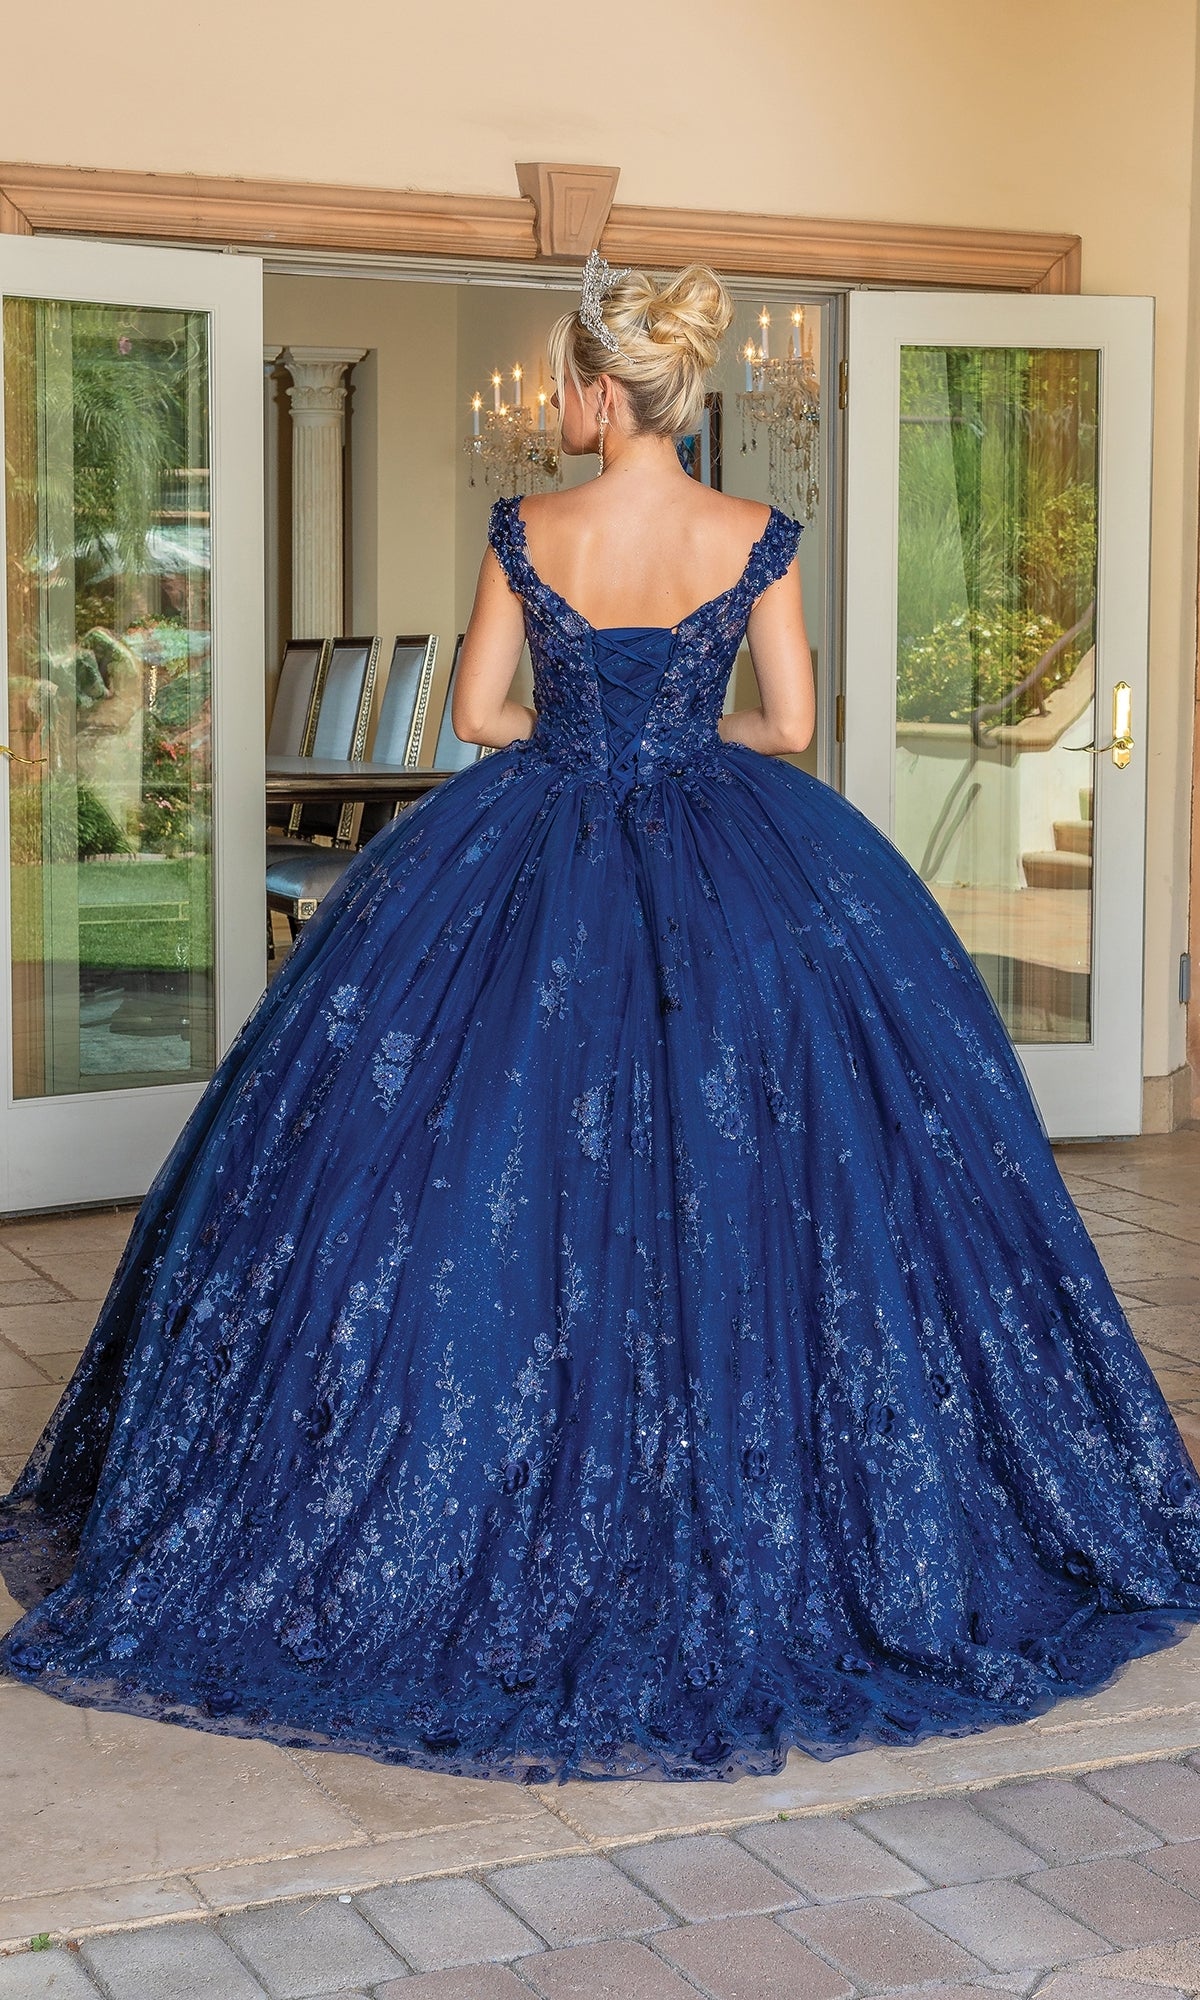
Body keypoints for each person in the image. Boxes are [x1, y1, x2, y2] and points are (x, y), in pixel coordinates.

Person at [2, 257, 1199, 1789]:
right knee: (759, 1156)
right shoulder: (753, 534)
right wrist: (691, 738)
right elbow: (795, 725)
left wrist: (582, 734)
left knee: (472, 1152)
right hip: (729, 845)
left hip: (536, 846)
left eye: (562, 382)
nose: (556, 406)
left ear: (595, 389)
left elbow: (478, 718)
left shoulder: (532, 529)